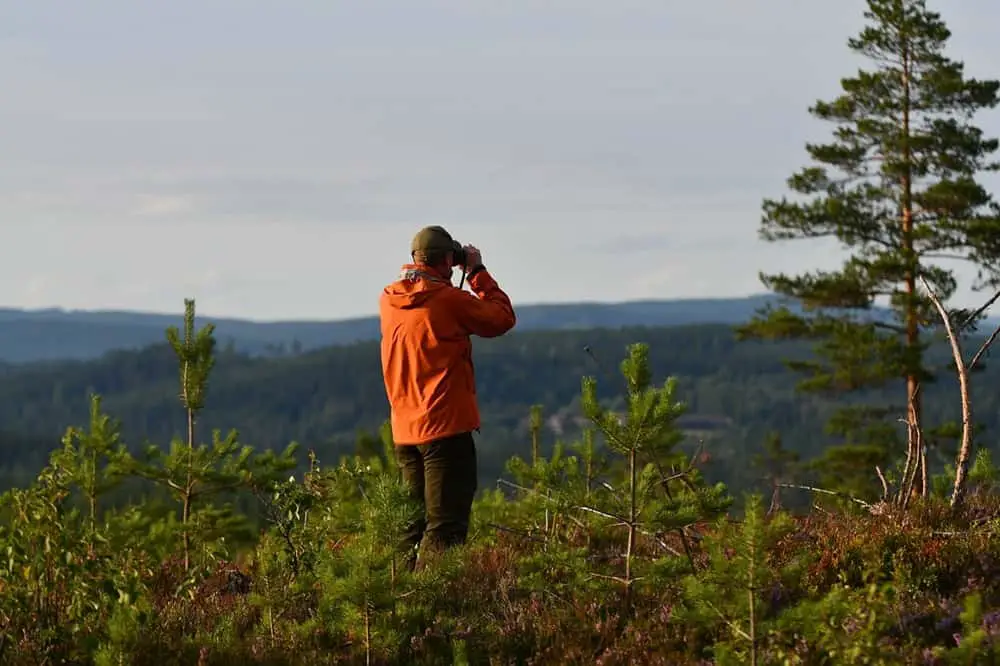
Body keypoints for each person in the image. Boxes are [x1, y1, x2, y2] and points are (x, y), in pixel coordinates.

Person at [379, 225, 516, 568]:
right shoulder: (448, 300)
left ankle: (399, 603)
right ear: (447, 261)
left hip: (405, 433)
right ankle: (438, 608)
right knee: (446, 528)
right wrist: (476, 273)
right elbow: (501, 318)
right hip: (445, 429)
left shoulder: (389, 300)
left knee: (412, 528)